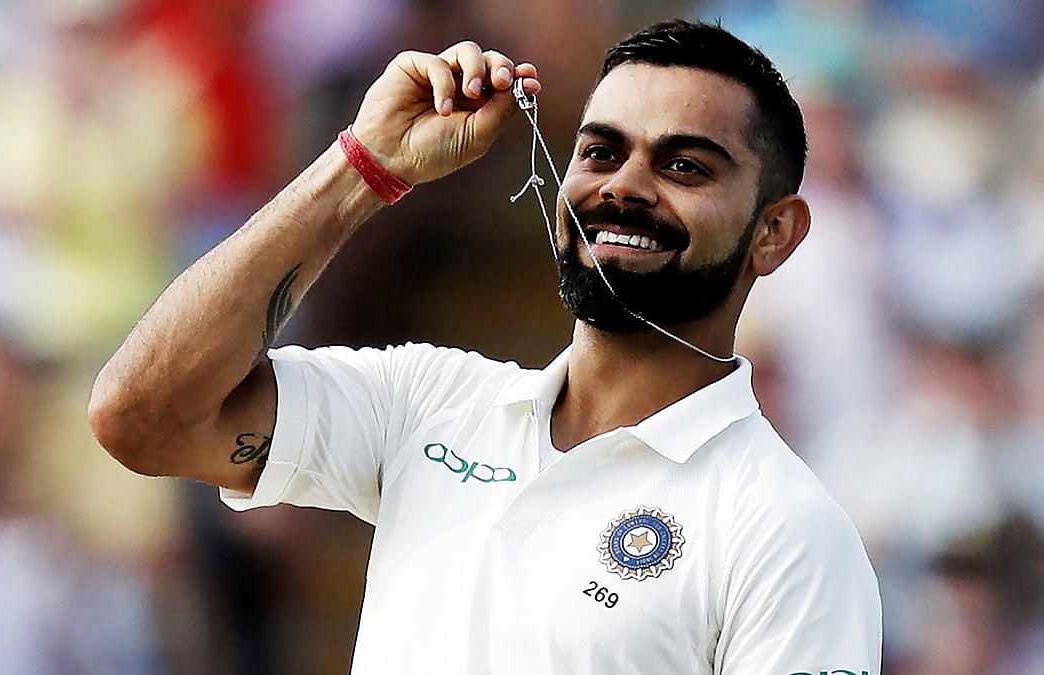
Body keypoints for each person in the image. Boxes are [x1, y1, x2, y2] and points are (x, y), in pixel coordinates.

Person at [89, 19, 882, 674]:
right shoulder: (429, 400)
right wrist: (363, 167)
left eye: (684, 165)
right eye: (601, 152)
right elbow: (144, 416)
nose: (623, 185)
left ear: (775, 232)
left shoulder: (785, 529)